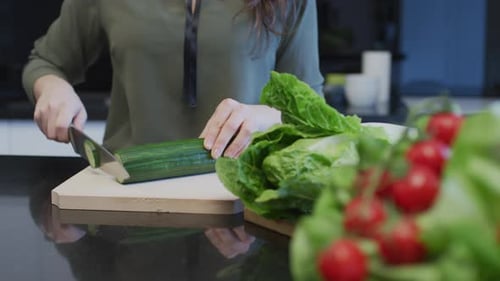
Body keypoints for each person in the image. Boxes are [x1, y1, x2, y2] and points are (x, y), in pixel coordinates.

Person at [22, 0, 323, 158]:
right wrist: (53, 87)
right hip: (127, 198)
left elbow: (312, 112)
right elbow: (46, 62)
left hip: (242, 199)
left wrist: (265, 116)